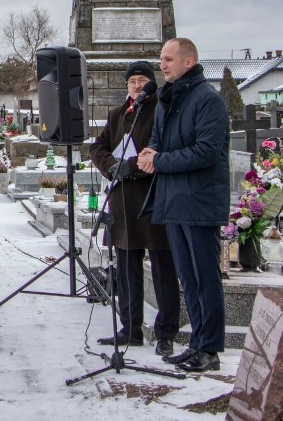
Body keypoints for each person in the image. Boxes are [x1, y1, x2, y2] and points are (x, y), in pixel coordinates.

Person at [138, 38, 230, 373]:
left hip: (200, 201)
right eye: (161, 59)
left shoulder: (208, 101)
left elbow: (206, 152)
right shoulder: (167, 99)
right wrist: (150, 154)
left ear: (188, 62)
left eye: (169, 59)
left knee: (205, 278)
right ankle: (196, 343)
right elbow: (158, 141)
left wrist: (160, 160)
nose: (162, 65)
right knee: (188, 279)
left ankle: (210, 348)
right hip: (173, 200)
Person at [89, 61, 180, 356]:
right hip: (122, 202)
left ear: (150, 84)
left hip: (152, 199)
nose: (137, 86)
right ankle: (130, 328)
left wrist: (129, 167)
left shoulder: (161, 111)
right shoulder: (118, 114)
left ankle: (166, 332)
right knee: (127, 270)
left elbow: (161, 150)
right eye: (132, 82)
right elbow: (97, 148)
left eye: (142, 80)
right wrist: (112, 167)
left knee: (163, 270)